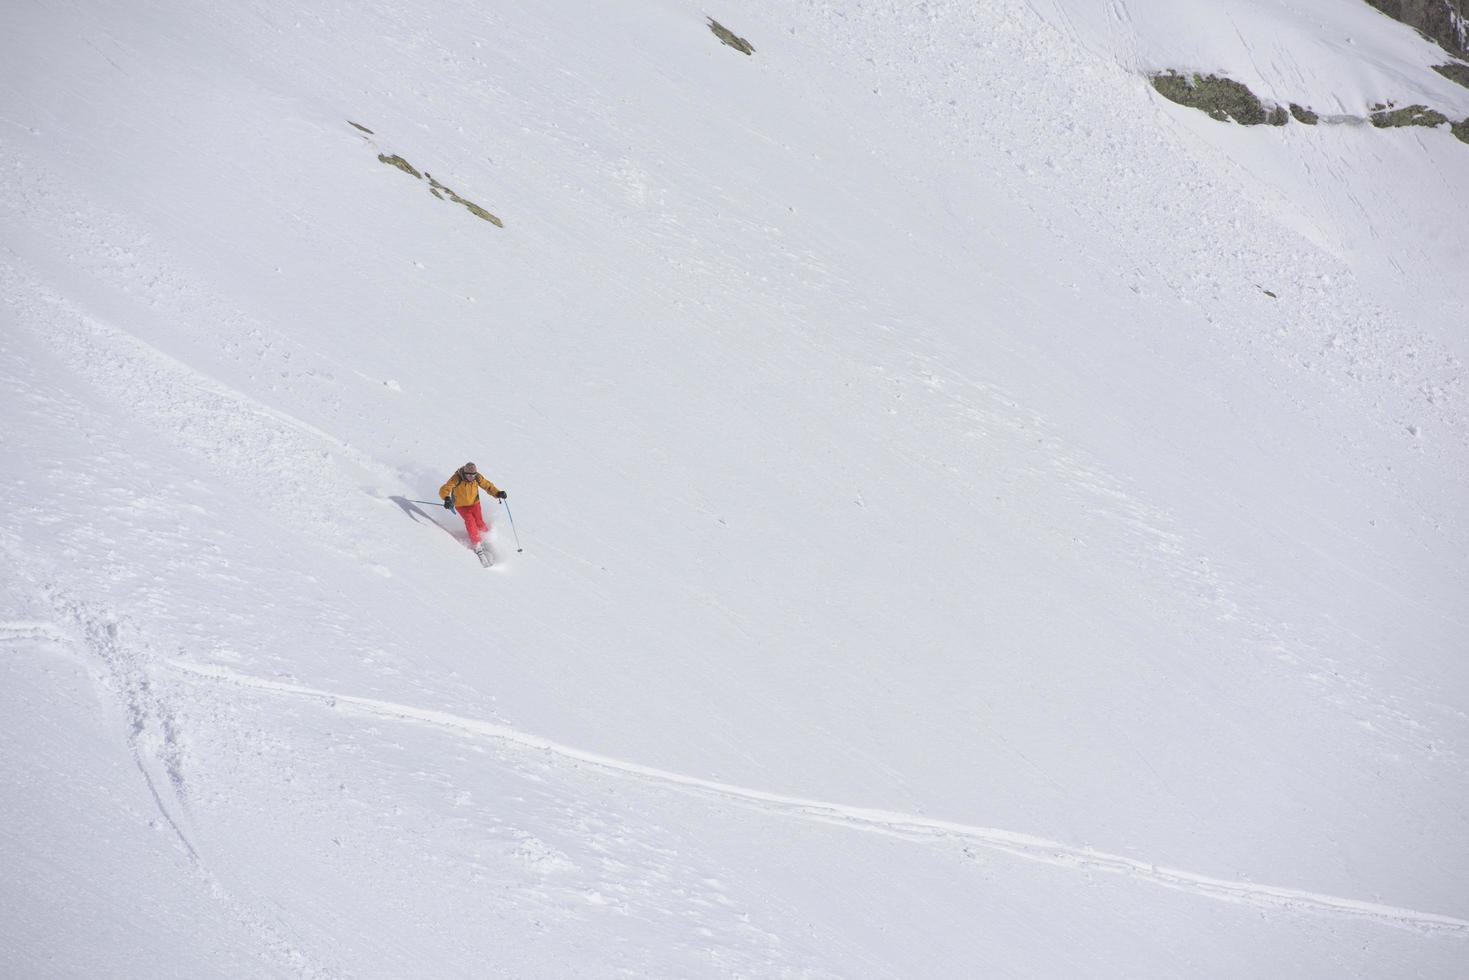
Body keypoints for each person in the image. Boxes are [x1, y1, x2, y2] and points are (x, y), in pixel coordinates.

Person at [439, 462, 506, 550]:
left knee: (479, 522)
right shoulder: (457, 478)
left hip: (475, 503)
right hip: (461, 505)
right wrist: (447, 498)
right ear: (464, 473)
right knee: (470, 521)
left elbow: (488, 486)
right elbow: (445, 488)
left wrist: (497, 493)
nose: (471, 477)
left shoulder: (477, 477)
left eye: (473, 475)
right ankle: (477, 543)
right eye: (469, 475)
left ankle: (486, 538)